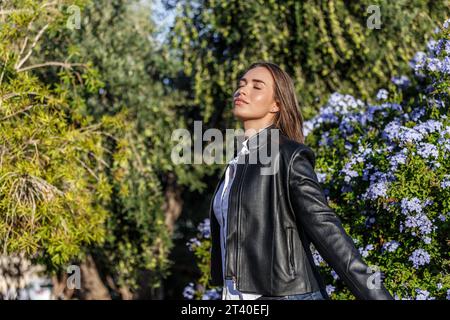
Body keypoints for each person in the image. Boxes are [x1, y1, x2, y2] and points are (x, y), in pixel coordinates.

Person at [209, 61, 394, 300]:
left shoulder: (288, 155)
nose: (241, 90)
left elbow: (326, 229)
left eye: (257, 86)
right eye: (241, 84)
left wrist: (377, 296)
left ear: (276, 104)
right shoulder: (237, 164)